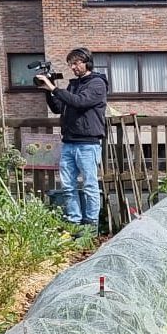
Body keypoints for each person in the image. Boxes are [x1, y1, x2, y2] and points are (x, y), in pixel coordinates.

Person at [35, 48, 108, 228]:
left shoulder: (97, 83)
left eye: (76, 63)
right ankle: (74, 221)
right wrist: (48, 90)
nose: (73, 67)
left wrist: (54, 88)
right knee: (68, 186)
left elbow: (80, 102)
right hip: (68, 142)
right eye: (71, 64)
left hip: (87, 143)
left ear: (87, 63)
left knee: (90, 185)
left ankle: (91, 225)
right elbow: (59, 107)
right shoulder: (73, 85)